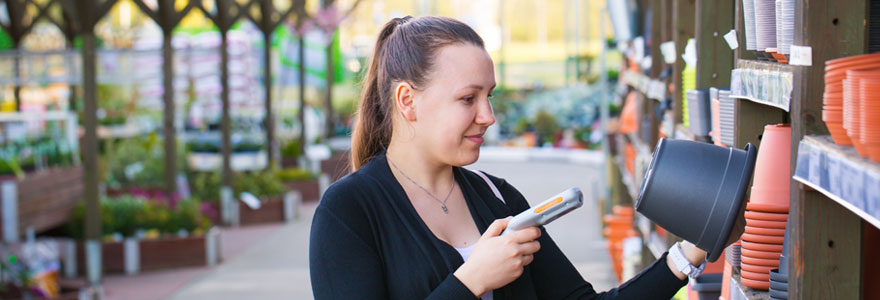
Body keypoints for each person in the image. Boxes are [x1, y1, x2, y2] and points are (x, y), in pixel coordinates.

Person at [309, 16, 742, 300]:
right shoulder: (349, 211)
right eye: (467, 98)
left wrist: (692, 251)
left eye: (490, 96)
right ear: (408, 100)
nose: (488, 116)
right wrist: (471, 281)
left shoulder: (499, 199)